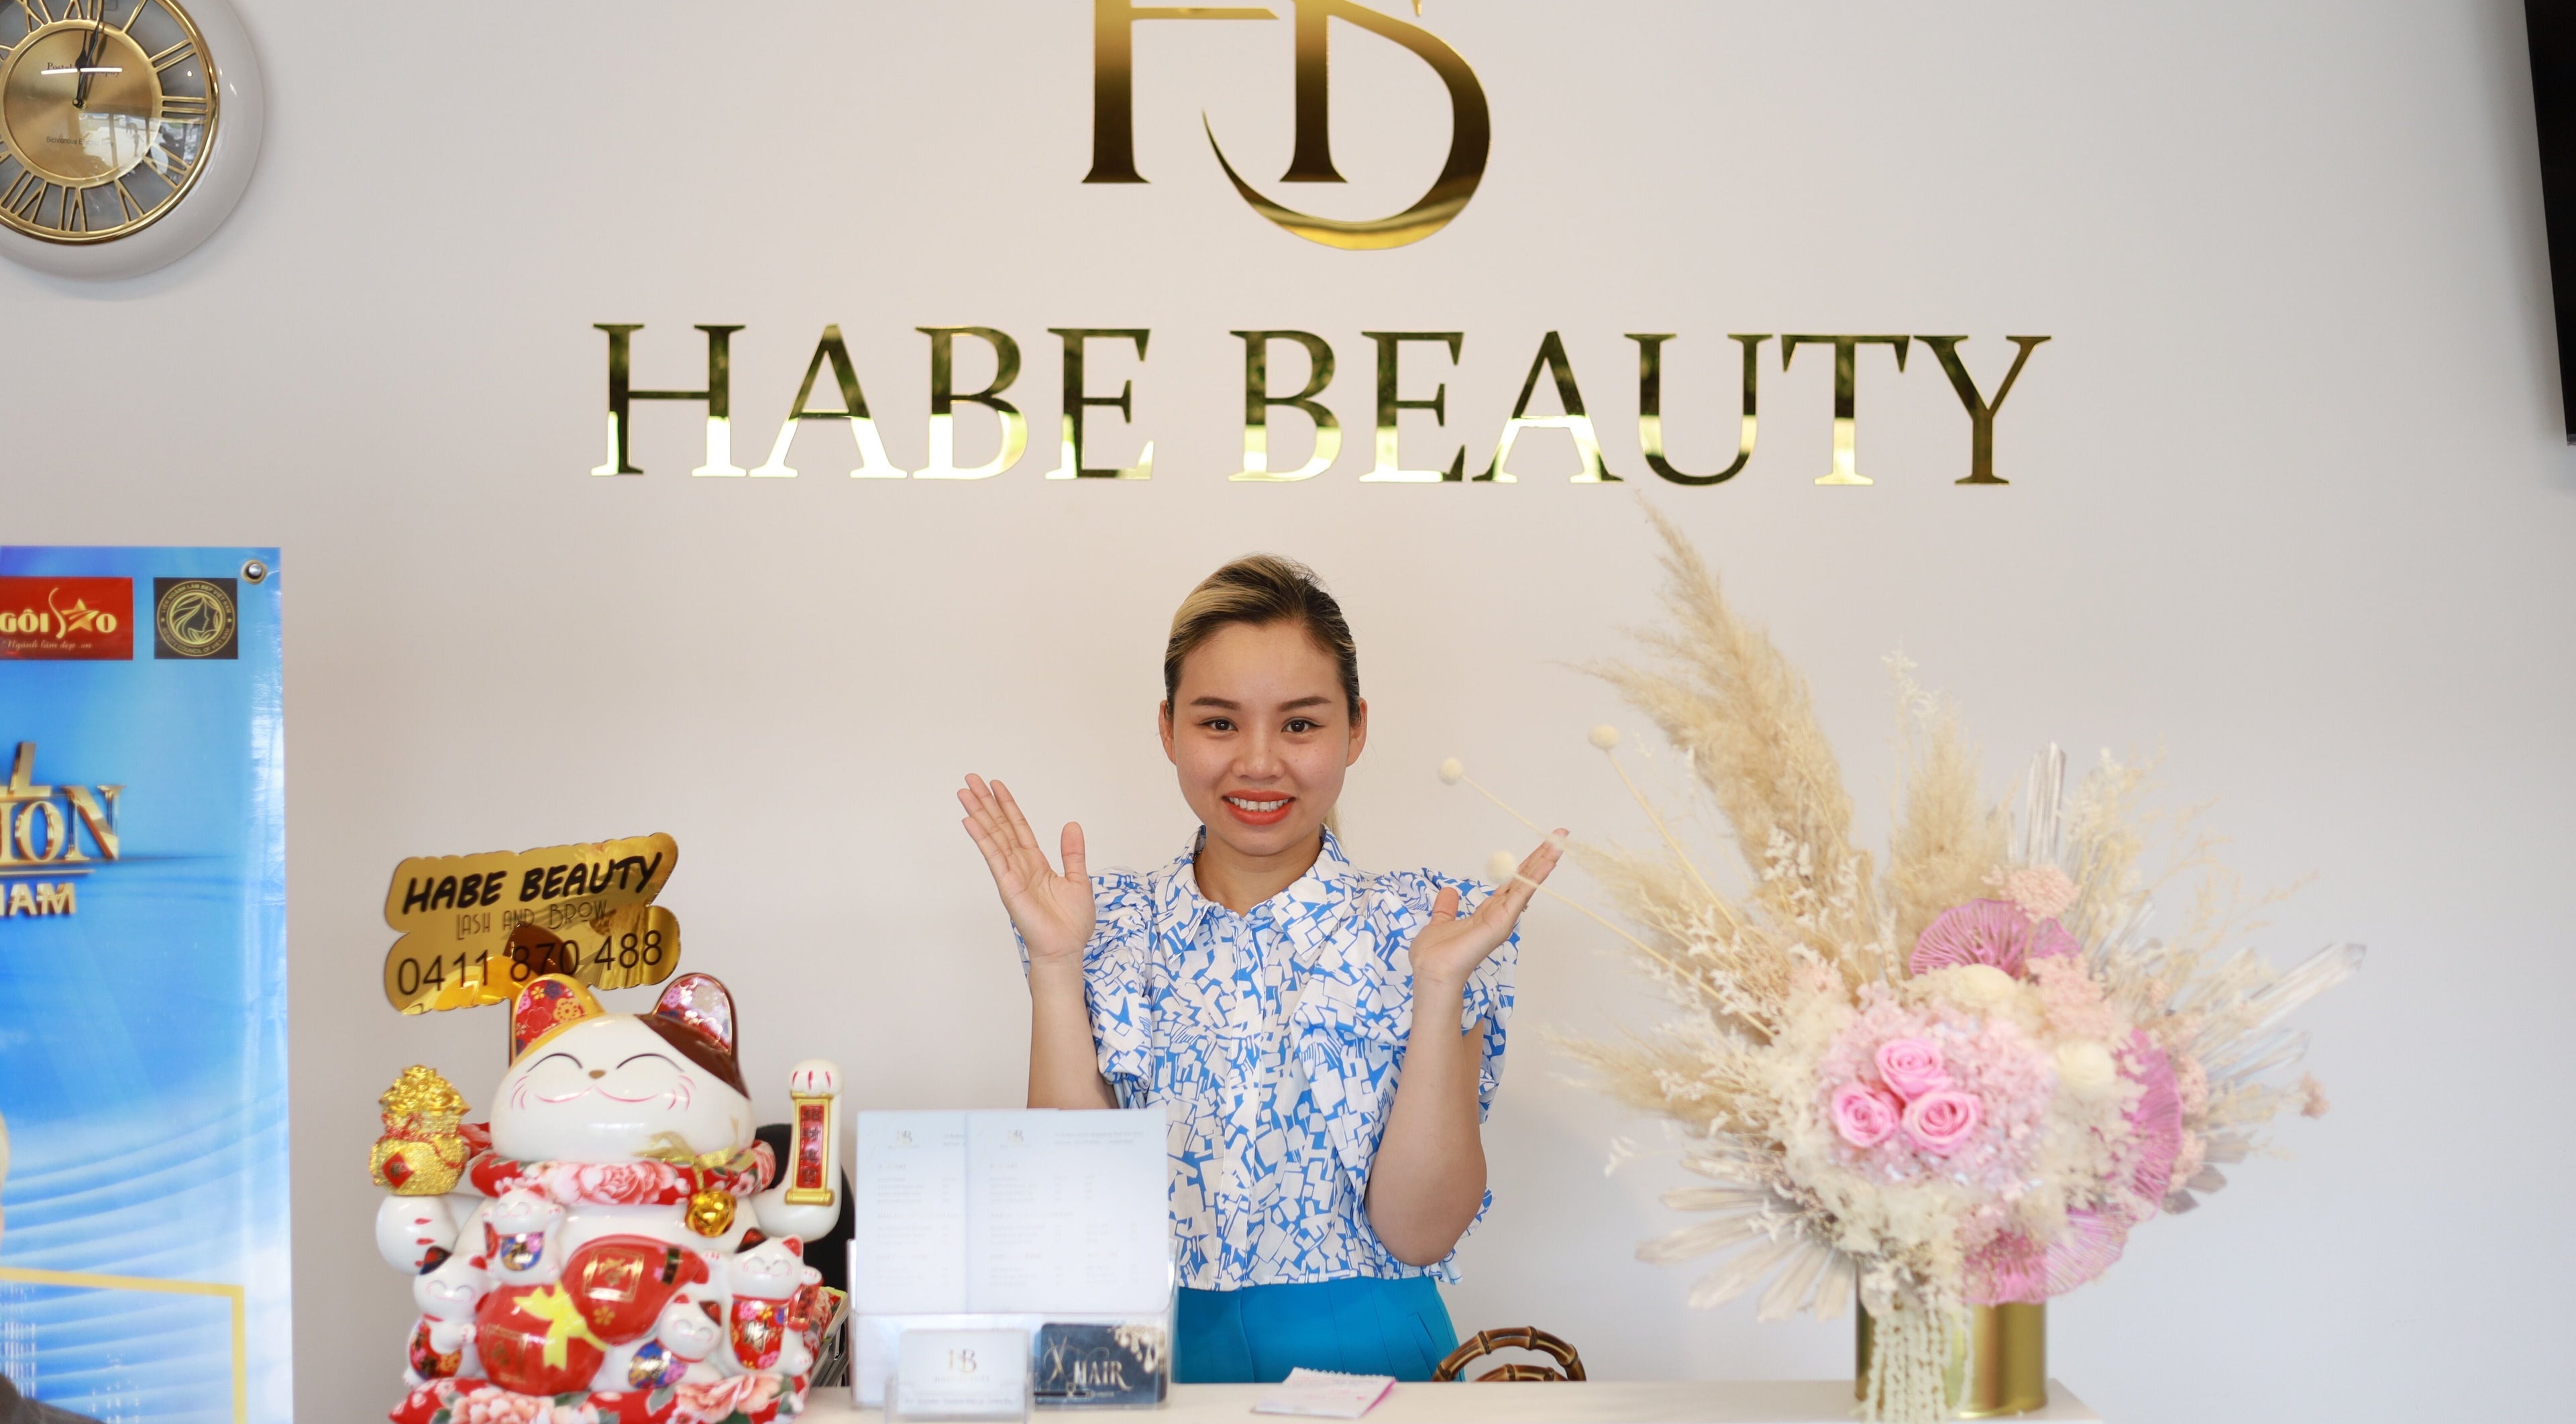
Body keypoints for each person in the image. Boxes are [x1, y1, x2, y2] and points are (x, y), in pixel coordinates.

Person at [959, 555, 1563, 1385]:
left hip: (1369, 1355)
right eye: (1218, 723)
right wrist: (1059, 964)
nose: (1259, 761)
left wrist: (1436, 992)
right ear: (1168, 728)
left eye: (1300, 724)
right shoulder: (1102, 919)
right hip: (1140, 1352)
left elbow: (1420, 1233)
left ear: (1354, 728)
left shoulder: (1433, 922)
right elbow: (1078, 1212)